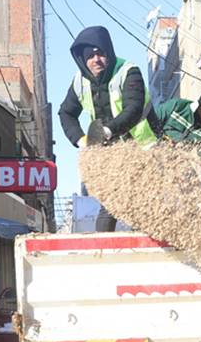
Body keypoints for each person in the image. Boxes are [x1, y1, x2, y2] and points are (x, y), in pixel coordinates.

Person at [58, 26, 159, 232]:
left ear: (109, 53)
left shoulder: (128, 72)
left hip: (143, 147)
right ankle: (103, 250)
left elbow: (133, 108)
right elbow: (65, 113)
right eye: (90, 56)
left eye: (100, 54)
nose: (96, 60)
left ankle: (151, 241)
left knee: (144, 200)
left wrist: (107, 131)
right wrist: (82, 140)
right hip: (112, 155)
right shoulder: (79, 81)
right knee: (111, 204)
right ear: (82, 59)